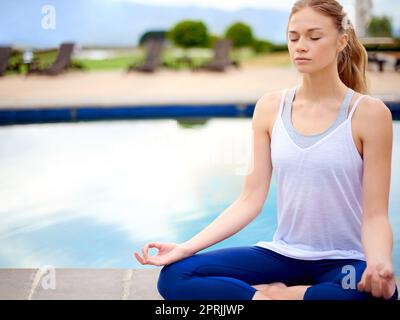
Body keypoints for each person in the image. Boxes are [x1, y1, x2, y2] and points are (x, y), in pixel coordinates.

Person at [134, 0, 398, 300]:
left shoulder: (369, 114)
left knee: (369, 296)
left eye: (314, 37)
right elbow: (250, 199)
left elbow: (376, 215)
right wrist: (185, 247)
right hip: (282, 256)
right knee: (175, 276)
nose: (300, 46)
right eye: (293, 36)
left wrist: (379, 262)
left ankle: (279, 294)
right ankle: (272, 296)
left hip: (342, 262)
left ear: (341, 41)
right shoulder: (270, 108)